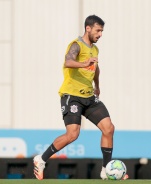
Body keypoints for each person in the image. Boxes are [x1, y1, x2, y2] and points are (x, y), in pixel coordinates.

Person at [33, 15, 116, 180]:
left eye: (102, 31)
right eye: (98, 30)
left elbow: (96, 69)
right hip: (72, 96)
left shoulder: (95, 49)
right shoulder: (76, 45)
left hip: (89, 97)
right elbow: (68, 62)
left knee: (109, 128)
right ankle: (41, 159)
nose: (100, 34)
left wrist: (97, 86)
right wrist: (84, 63)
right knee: (73, 134)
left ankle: (106, 170)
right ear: (88, 28)